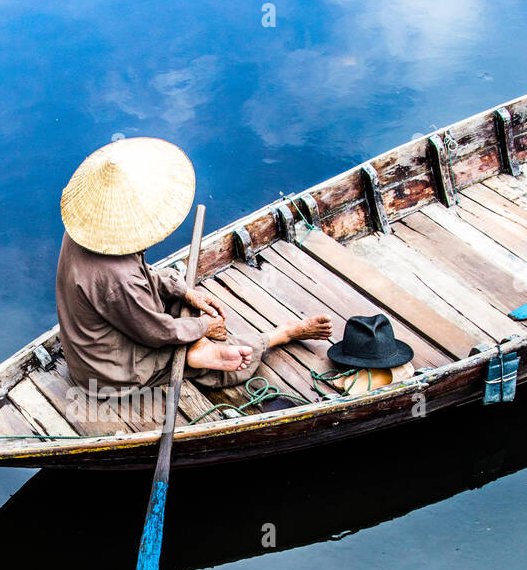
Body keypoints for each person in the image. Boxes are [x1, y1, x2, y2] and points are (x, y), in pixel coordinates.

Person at [55, 137, 332, 396]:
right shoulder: (119, 277)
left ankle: (196, 348)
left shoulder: (85, 232)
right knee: (214, 359)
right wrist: (202, 327)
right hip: (106, 373)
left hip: (99, 337)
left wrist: (184, 292)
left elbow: (140, 278)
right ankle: (276, 336)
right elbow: (154, 331)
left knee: (181, 302)